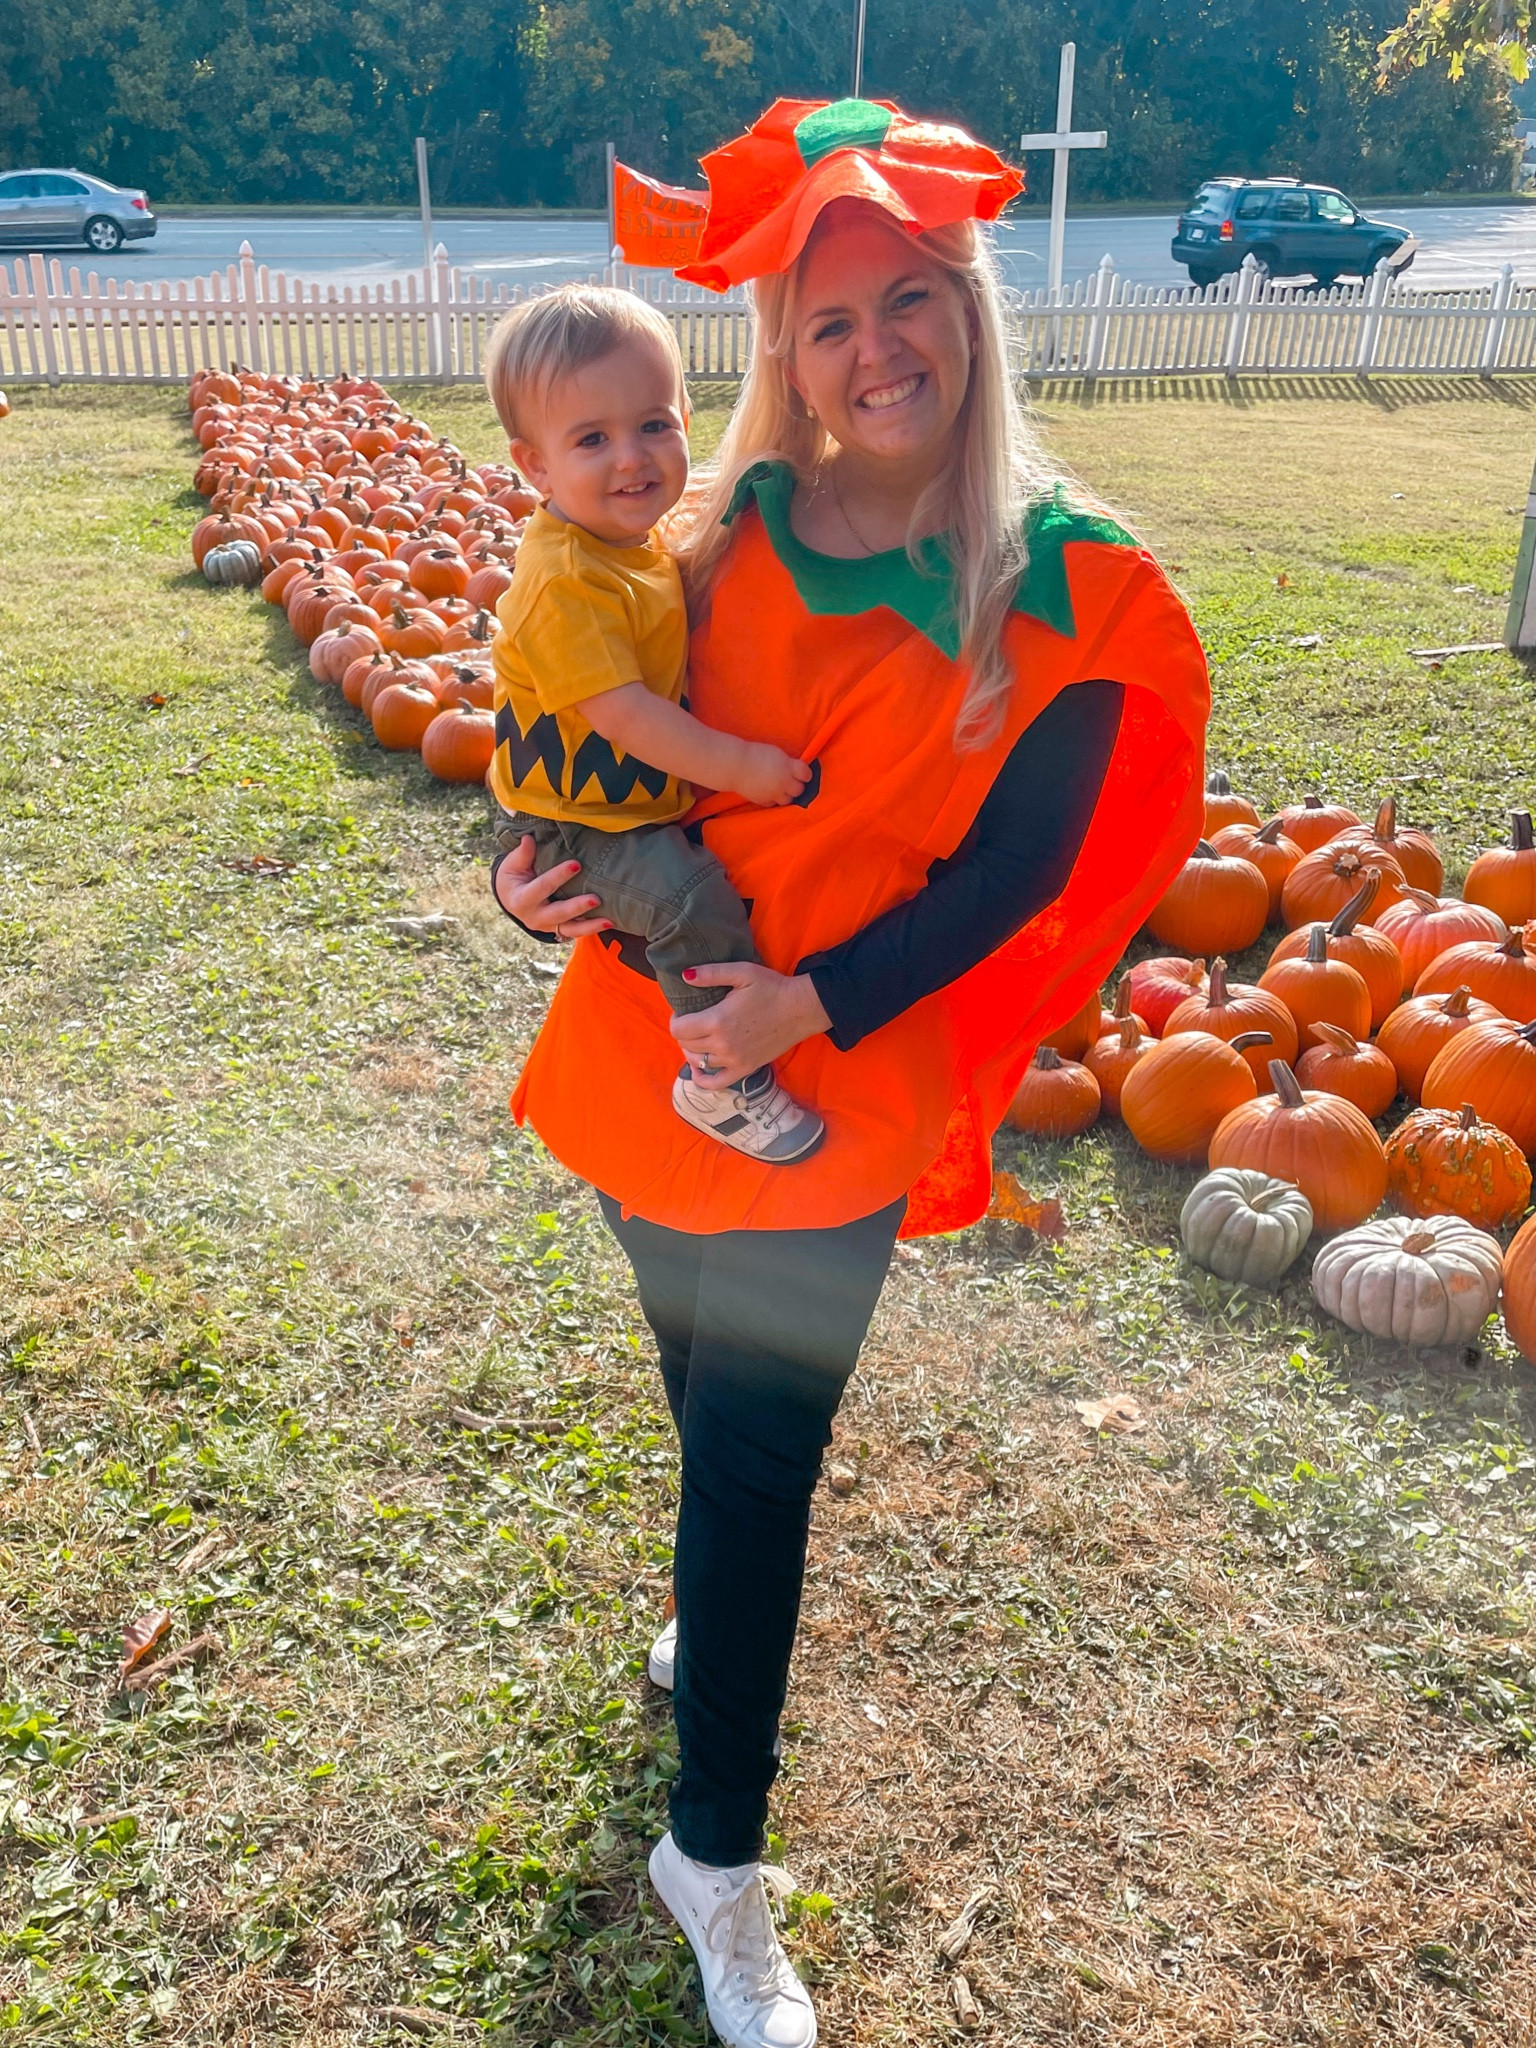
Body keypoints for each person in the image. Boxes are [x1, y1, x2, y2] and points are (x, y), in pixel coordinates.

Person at [493, 96, 1210, 2048]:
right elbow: (579, 742)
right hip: (654, 1061)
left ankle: (710, 1861)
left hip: (833, 1085)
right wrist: (534, 870)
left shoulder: (1067, 583)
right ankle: (701, 1623)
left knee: (753, 1461)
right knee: (694, 1385)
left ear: (970, 309)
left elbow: (1019, 873)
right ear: (783, 355)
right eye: (829, 321)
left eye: (912, 299)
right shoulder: (710, 537)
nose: (875, 347)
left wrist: (805, 1012)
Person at [483, 285, 824, 1164]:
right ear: (535, 467)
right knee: (685, 900)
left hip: (613, 804)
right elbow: (626, 716)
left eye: (654, 426)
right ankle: (722, 1081)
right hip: (578, 824)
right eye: (592, 439)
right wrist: (741, 768)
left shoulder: (625, 536)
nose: (632, 458)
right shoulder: (567, 582)